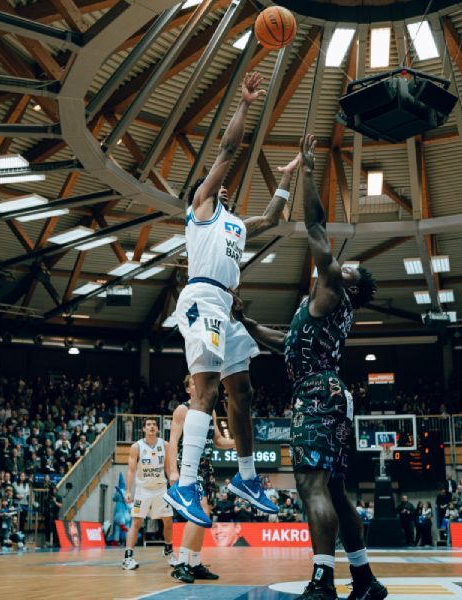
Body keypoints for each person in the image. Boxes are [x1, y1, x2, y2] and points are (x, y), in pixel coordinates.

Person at [233, 134, 383, 600]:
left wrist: (311, 170)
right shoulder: (324, 310)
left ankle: (323, 580)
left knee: (310, 483)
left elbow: (315, 226)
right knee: (335, 490)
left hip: (316, 395)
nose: (341, 265)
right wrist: (246, 321)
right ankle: (364, 580)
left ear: (349, 285)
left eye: (348, 268)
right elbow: (287, 343)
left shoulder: (333, 289)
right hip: (331, 391)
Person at [165, 71, 285, 527]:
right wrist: (245, 104)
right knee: (208, 389)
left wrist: (290, 176)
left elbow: (273, 217)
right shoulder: (201, 209)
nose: (221, 189)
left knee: (244, 391)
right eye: (215, 186)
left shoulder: (236, 224)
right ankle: (186, 484)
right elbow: (228, 152)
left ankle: (247, 476)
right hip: (203, 300)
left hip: (228, 309)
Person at [167, 374, 234, 583]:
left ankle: (194, 563)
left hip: (206, 468)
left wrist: (239, 441)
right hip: (188, 466)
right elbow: (172, 441)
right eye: (196, 384)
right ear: (188, 389)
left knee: (204, 516)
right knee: (200, 511)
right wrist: (173, 472)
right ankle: (181, 564)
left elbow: (219, 441)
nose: (201, 387)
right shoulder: (183, 410)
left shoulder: (210, 412)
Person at [122, 418, 175, 570]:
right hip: (143, 490)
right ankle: (128, 557)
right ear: (144, 429)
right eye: (148, 425)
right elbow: (131, 470)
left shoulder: (164, 445)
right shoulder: (136, 447)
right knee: (136, 522)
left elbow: (168, 468)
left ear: (157, 428)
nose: (152, 427)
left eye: (154, 424)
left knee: (168, 521)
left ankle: (169, 551)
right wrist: (127, 490)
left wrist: (173, 486)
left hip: (161, 489)